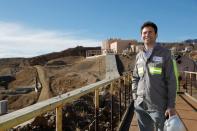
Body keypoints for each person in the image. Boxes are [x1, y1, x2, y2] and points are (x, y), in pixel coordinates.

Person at [132, 21, 177, 131]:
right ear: (141, 35)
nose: (147, 35)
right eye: (144, 32)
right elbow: (135, 78)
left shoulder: (165, 53)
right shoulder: (139, 56)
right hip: (140, 105)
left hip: (158, 105)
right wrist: (135, 97)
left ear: (156, 35)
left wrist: (171, 105)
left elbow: (171, 80)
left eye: (150, 32)